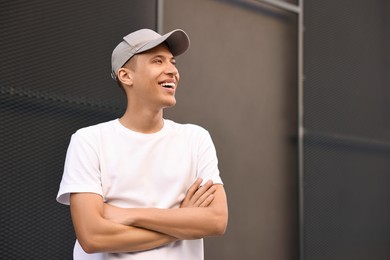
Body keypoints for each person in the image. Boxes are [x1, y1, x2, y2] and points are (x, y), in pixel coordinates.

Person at [56, 28, 228, 259]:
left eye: (173, 62)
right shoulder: (88, 141)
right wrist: (183, 220)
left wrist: (129, 215)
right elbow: (93, 237)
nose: (172, 71)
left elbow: (216, 221)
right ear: (126, 76)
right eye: (158, 61)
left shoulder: (196, 138)